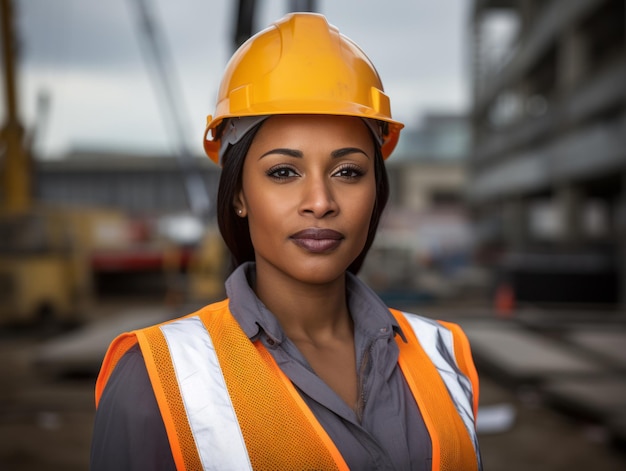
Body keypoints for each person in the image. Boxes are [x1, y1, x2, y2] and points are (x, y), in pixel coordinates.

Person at [90, 12, 482, 471]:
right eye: (283, 172)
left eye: (348, 172)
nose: (320, 202)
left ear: (376, 191)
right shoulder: (156, 380)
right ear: (238, 193)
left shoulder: (444, 355)